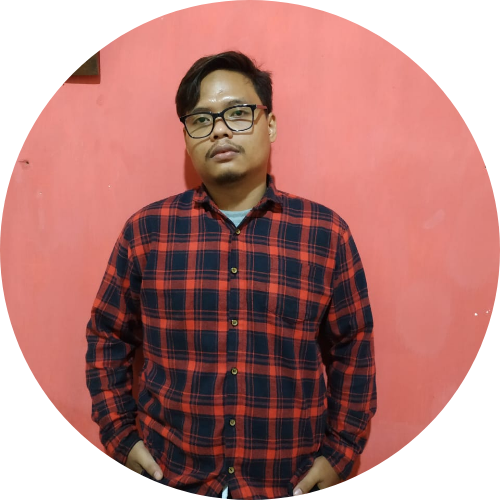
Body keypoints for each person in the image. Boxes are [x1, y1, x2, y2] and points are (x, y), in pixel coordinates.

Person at [85, 51, 377, 499]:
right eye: (201, 120)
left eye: (238, 113)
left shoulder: (324, 233)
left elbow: (353, 347)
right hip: (171, 471)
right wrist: (120, 436)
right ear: (187, 138)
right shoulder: (147, 232)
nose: (219, 129)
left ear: (270, 124)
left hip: (286, 480)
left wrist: (339, 453)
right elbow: (107, 335)